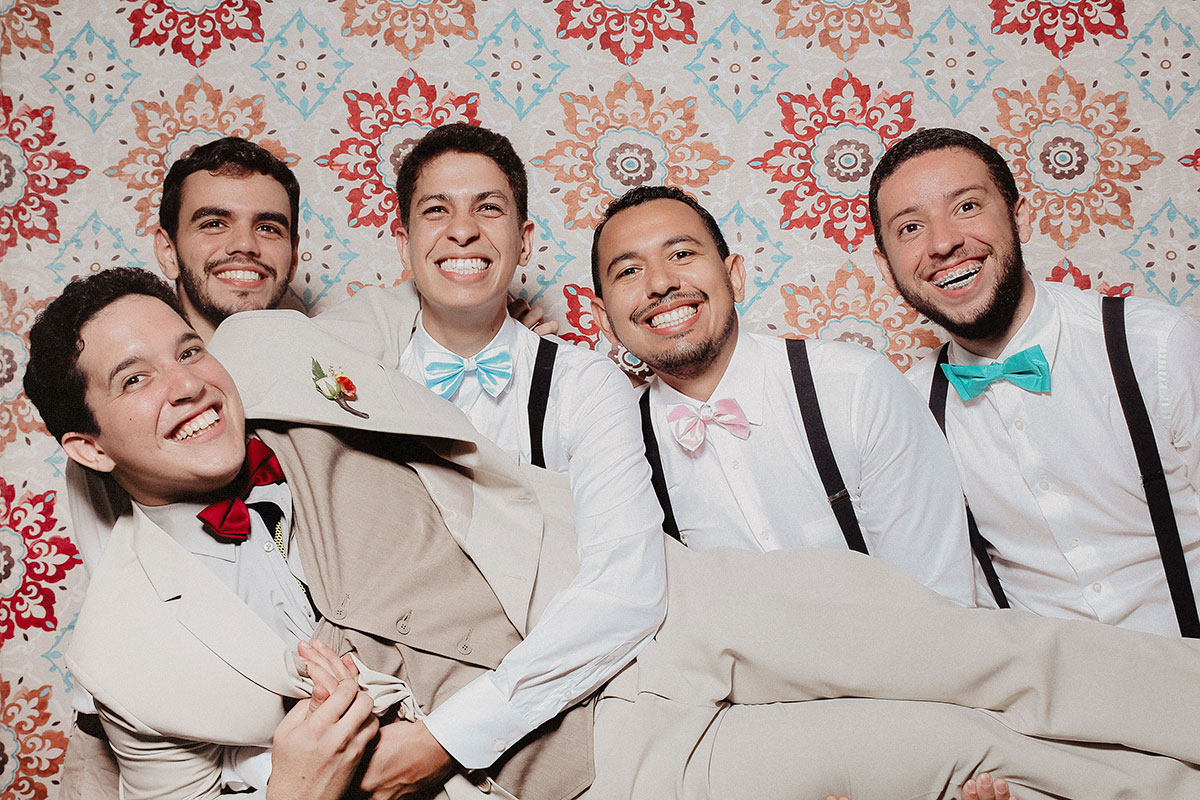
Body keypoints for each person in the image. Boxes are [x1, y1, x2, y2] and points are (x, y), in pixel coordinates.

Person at [32, 267, 1200, 800]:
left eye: (184, 347)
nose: (190, 383)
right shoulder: (129, 648)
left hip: (660, 605)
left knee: (988, 652)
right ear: (87, 447)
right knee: (944, 754)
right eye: (136, 378)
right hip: (601, 771)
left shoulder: (279, 347)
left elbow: (444, 267)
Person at [315, 123, 668, 787]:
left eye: (488, 208)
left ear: (524, 240)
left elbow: (629, 586)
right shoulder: (352, 388)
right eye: (437, 210)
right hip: (376, 724)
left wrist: (450, 735)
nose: (463, 230)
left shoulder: (582, 383)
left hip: (556, 731)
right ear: (404, 242)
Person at [870, 127, 1200, 636]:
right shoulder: (907, 408)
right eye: (910, 228)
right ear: (886, 267)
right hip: (1047, 703)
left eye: (966, 206)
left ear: (1019, 217)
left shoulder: (1156, 346)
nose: (943, 242)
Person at [58, 135, 305, 800]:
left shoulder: (321, 372)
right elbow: (158, 618)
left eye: (269, 226)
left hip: (316, 714)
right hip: (148, 730)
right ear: (166, 246)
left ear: (293, 251)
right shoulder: (116, 433)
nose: (245, 246)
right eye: (214, 221)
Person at [587, 184, 976, 606]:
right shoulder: (614, 446)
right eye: (628, 271)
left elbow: (940, 602)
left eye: (681, 254)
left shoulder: (855, 387)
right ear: (604, 319)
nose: (660, 283)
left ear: (734, 276)